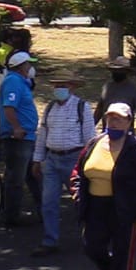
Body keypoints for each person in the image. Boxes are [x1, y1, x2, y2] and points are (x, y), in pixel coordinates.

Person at [72, 103, 136, 270]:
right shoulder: (94, 143)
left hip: (123, 210)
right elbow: (78, 172)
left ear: (129, 122)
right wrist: (77, 193)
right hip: (95, 207)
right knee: (92, 247)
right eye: (110, 118)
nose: (113, 122)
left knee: (122, 254)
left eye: (118, 119)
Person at [30, 72, 93, 256]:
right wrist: (37, 159)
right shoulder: (50, 108)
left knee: (81, 201)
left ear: (72, 87)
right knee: (48, 202)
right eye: (56, 86)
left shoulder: (82, 107)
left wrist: (87, 164)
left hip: (74, 160)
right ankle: (50, 241)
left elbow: (89, 138)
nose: (59, 89)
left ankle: (90, 237)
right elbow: (42, 135)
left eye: (63, 85)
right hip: (51, 160)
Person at [0, 50, 39, 227]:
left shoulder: (21, 82)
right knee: (16, 178)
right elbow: (9, 107)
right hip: (18, 138)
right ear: (21, 67)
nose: (31, 67)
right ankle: (11, 216)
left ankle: (44, 211)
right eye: (28, 64)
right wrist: (16, 127)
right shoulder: (13, 82)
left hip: (27, 137)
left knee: (33, 175)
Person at [95, 56, 136, 133]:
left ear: (126, 72)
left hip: (126, 133)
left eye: (119, 70)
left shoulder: (133, 90)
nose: (116, 73)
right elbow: (100, 109)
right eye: (115, 70)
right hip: (107, 132)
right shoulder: (107, 87)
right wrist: (92, 125)